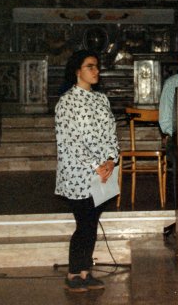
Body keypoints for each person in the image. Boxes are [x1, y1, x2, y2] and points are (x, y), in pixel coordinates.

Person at [55, 50, 119, 293]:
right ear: (77, 71)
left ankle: (85, 272)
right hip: (79, 174)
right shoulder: (67, 102)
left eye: (97, 66)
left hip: (105, 172)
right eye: (90, 66)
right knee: (84, 223)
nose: (96, 70)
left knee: (92, 223)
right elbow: (70, 141)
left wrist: (111, 160)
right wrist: (96, 166)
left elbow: (111, 133)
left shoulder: (102, 100)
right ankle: (73, 273)